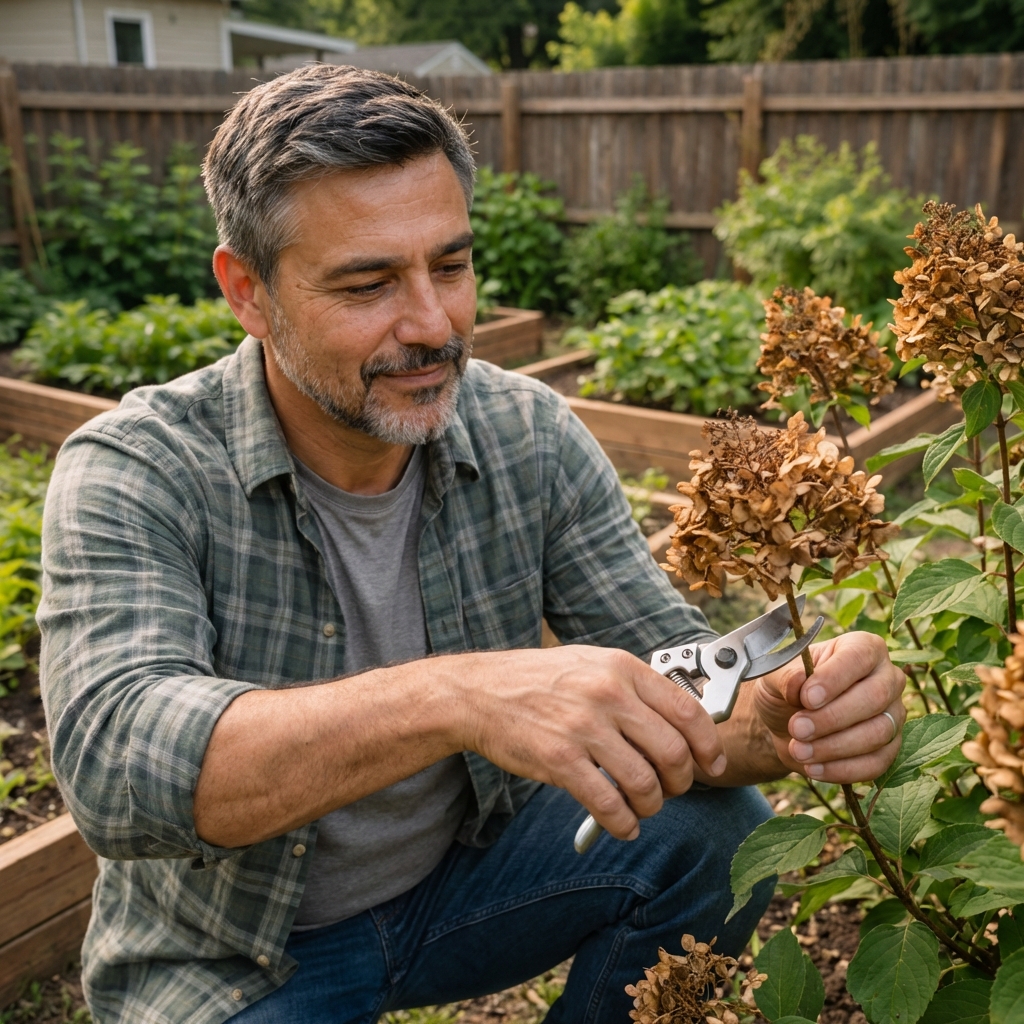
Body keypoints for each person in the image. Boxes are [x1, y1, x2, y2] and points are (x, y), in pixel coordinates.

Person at [38, 65, 906, 1024]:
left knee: (712, 833)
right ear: (248, 290)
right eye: (368, 283)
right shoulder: (137, 467)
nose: (434, 325)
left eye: (450, 267)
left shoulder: (525, 432)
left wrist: (777, 719)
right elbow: (117, 769)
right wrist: (455, 694)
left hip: (465, 887)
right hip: (237, 954)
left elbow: (680, 680)